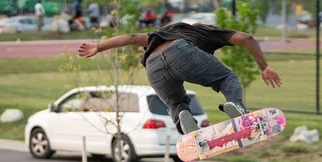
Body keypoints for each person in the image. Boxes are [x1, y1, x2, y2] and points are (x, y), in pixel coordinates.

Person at [77, 22, 282, 135]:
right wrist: (264, 66)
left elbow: (130, 38)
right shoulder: (203, 31)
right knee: (226, 78)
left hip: (152, 67)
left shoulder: (156, 35)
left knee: (176, 103)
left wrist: (99, 47)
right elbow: (246, 38)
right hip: (182, 51)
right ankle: (236, 106)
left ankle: (185, 121)